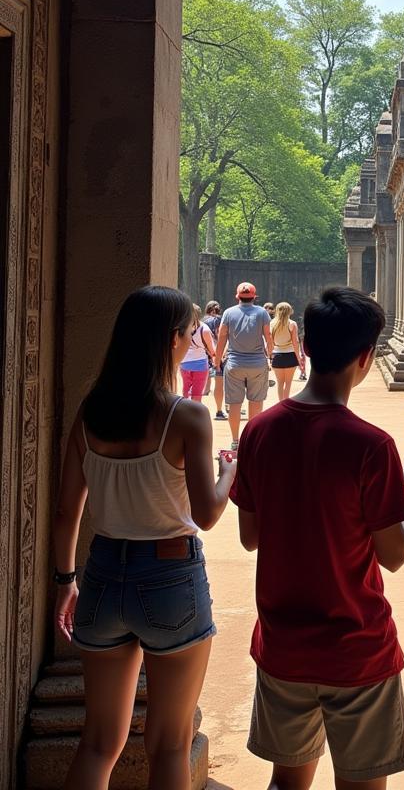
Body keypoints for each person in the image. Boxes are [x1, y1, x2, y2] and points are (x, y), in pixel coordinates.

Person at [230, 287, 404, 790]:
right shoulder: (371, 445)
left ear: (308, 347)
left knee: (286, 780)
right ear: (365, 358)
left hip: (283, 646)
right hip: (356, 649)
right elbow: (394, 553)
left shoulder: (260, 432)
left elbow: (250, 537)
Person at [51, 285, 236, 790]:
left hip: (104, 572)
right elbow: (208, 513)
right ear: (173, 340)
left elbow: (68, 510)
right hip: (171, 576)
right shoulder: (187, 416)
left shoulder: (91, 414)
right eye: (190, 332)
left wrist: (66, 580)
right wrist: (229, 475)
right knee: (169, 744)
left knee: (98, 742)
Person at [213, 282, 273, 452]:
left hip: (234, 364)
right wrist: (270, 356)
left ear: (237, 296)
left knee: (234, 404)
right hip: (257, 364)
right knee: (255, 403)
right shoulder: (262, 313)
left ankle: (235, 441)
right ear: (254, 297)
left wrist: (217, 360)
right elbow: (268, 337)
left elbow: (222, 336)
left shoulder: (228, 313)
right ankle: (251, 440)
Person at [180, 303, 215, 403]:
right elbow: (212, 350)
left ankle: (184, 411)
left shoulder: (181, 327)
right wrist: (216, 360)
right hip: (200, 364)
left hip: (184, 363)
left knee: (186, 390)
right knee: (197, 392)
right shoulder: (205, 329)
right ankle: (194, 413)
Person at [270, 301, 304, 401]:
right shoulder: (292, 324)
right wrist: (299, 358)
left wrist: (270, 356)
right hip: (290, 355)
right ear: (289, 311)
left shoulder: (271, 323)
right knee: (288, 383)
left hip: (277, 355)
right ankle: (286, 403)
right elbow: (295, 342)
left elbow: (270, 342)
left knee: (280, 383)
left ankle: (280, 404)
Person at [202, 301, 226, 418]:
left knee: (207, 376)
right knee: (221, 383)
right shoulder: (221, 320)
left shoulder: (203, 321)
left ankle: (205, 391)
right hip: (221, 354)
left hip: (206, 353)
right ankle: (222, 409)